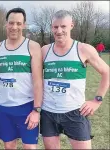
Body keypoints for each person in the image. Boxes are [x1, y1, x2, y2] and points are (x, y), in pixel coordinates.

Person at [40, 10, 109, 149]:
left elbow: (106, 72)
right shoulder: (45, 50)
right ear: (52, 27)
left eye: (63, 26)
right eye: (55, 27)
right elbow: (31, 76)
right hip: (48, 112)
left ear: (71, 25)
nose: (59, 31)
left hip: (75, 111)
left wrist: (97, 100)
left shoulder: (84, 49)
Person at [0, 8, 43, 149]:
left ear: (24, 25)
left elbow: (38, 81)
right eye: (11, 23)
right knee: (9, 146)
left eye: (18, 24)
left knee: (30, 147)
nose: (14, 27)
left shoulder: (33, 47)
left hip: (26, 106)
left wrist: (36, 110)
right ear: (6, 24)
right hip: (4, 107)